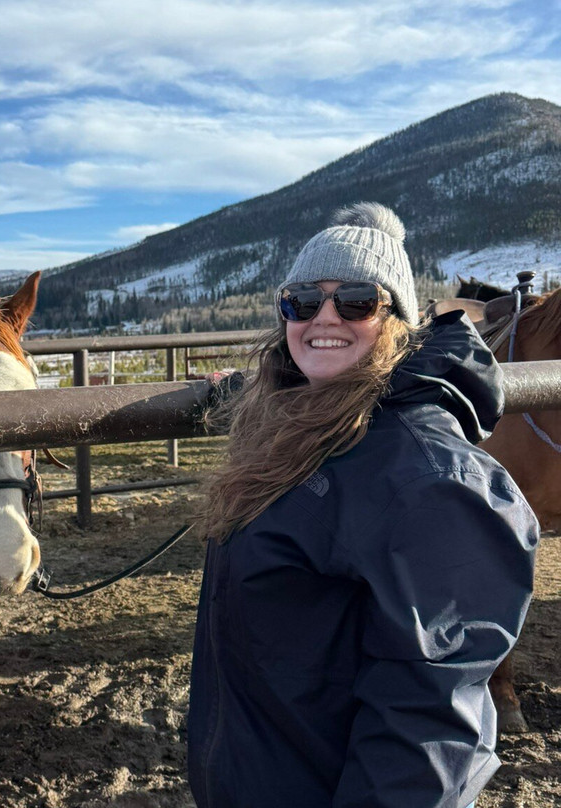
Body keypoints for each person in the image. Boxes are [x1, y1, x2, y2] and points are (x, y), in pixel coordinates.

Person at [187, 203, 538, 808]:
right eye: (302, 302)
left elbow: (430, 726)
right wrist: (235, 392)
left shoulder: (429, 477)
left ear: (397, 320)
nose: (324, 317)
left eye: (355, 301)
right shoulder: (303, 424)